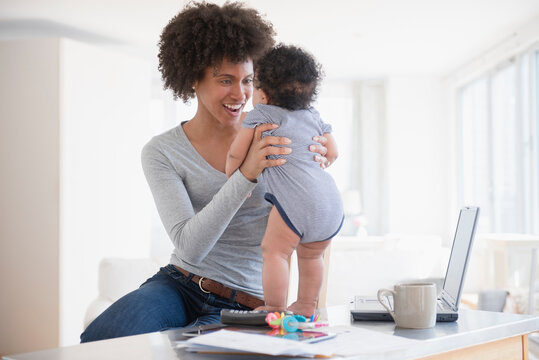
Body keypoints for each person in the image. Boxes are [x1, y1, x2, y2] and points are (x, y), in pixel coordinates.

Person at [80, 2, 331, 342]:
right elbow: (190, 246)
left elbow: (313, 224)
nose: (239, 94)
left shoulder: (278, 136)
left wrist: (313, 305)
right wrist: (245, 175)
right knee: (103, 339)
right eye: (225, 80)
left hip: (250, 303)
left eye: (247, 81)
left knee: (195, 351)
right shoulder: (162, 151)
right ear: (192, 80)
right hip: (179, 284)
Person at [226, 44, 343, 317]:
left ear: (263, 94)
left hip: (296, 202)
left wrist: (234, 179)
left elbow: (236, 152)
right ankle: (305, 305)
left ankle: (275, 307)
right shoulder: (313, 116)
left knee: (275, 252)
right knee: (312, 256)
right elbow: (333, 153)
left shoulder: (261, 115)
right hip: (329, 202)